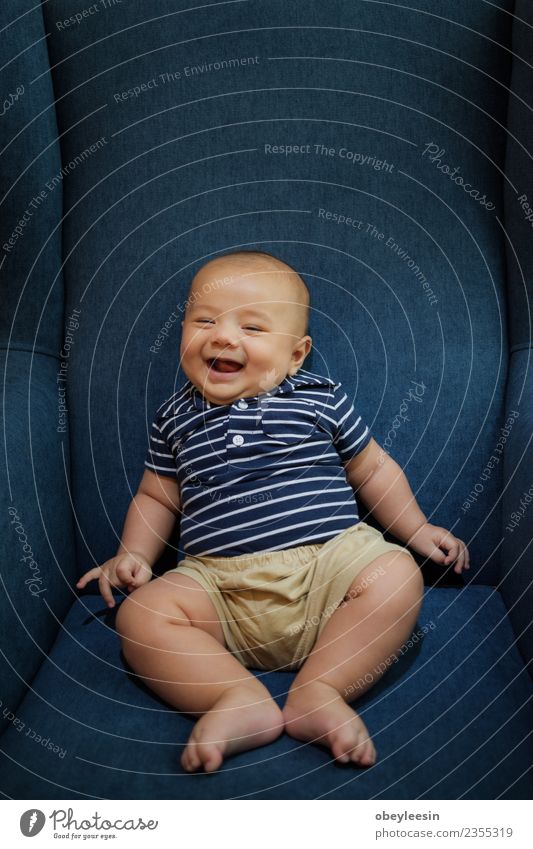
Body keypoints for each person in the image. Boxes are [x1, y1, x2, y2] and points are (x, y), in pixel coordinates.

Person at [76, 250, 469, 774]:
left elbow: (372, 471)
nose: (222, 336)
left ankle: (321, 690)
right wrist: (133, 555)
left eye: (253, 326)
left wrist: (416, 529)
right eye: (204, 320)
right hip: (219, 589)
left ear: (296, 354)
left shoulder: (318, 399)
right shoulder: (175, 418)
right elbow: (156, 496)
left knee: (395, 574)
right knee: (141, 615)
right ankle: (236, 697)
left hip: (330, 571)